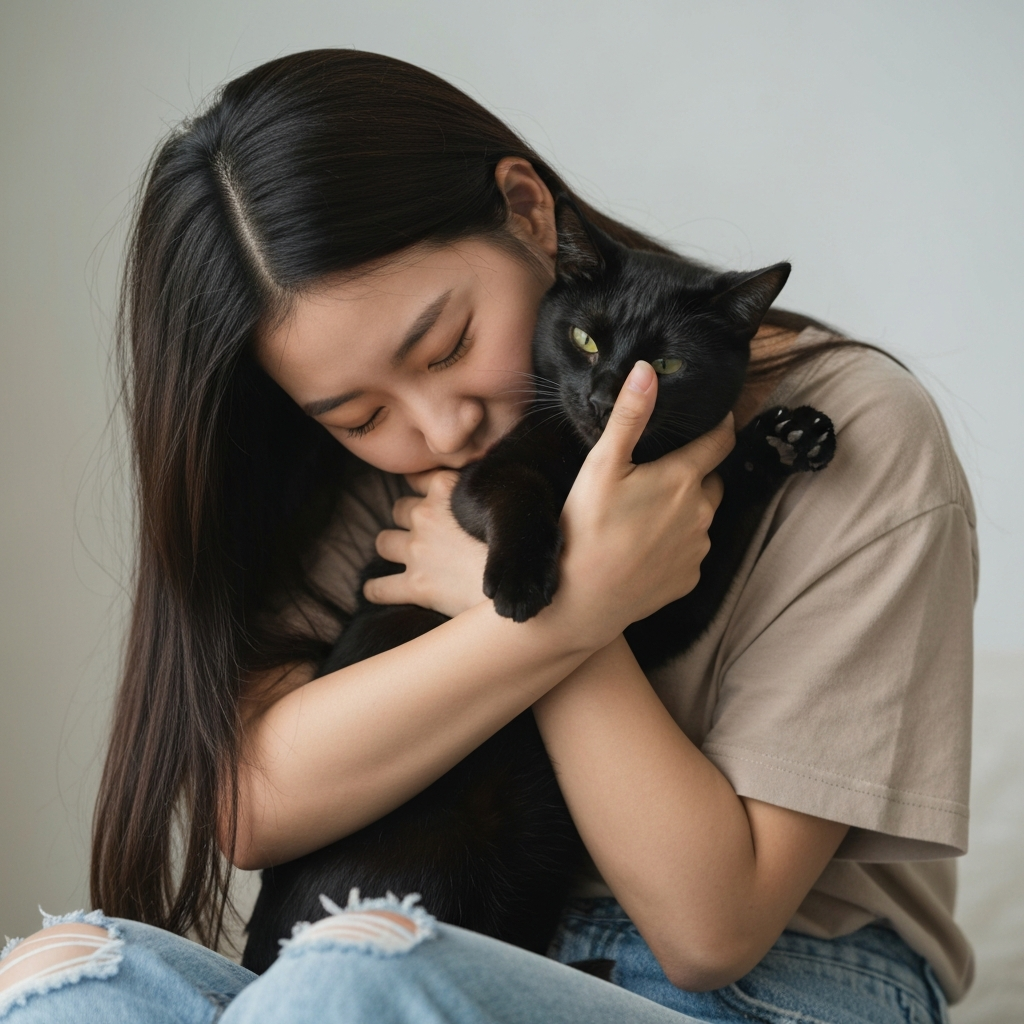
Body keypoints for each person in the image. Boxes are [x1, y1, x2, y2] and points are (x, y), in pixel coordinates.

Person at [0, 49, 974, 1023]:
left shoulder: (857, 428)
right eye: (355, 414)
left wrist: (555, 601)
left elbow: (710, 929)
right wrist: (554, 616)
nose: (437, 430)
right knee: (71, 985)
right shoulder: (364, 474)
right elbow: (252, 807)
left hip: (773, 988)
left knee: (356, 978)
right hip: (398, 945)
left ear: (529, 212)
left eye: (449, 345)